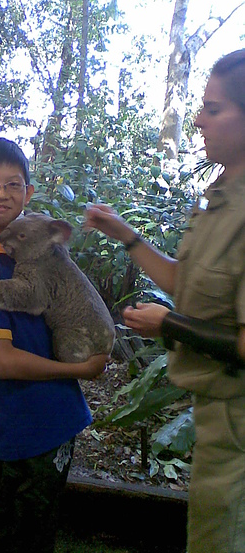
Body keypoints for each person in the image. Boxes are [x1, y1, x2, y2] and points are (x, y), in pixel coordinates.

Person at [84, 49, 245, 553]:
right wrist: (126, 235)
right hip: (217, 414)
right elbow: (185, 282)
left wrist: (169, 326)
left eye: (213, 109)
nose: (198, 119)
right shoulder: (220, 196)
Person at [0, 136, 109, 553]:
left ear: (29, 191)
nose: (2, 193)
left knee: (35, 526)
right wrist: (81, 369)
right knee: (21, 531)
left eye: (13, 184)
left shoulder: (32, 249)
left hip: (53, 416)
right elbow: (2, 363)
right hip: (28, 421)